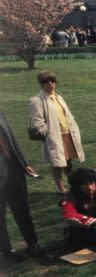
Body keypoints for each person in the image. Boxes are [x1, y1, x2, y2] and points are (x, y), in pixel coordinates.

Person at [29, 70, 85, 196]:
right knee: (57, 164)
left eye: (53, 81)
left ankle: (73, 185)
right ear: (41, 83)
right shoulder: (37, 100)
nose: (50, 84)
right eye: (47, 81)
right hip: (54, 137)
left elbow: (67, 115)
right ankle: (61, 188)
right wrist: (48, 133)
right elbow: (37, 121)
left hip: (67, 134)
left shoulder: (58, 97)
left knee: (68, 162)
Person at [0, 110, 43, 261]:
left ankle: (33, 243)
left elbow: (12, 139)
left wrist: (25, 164)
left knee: (22, 208)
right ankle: (7, 251)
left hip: (13, 168)